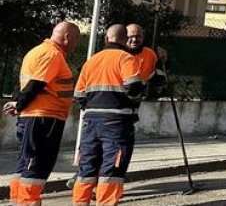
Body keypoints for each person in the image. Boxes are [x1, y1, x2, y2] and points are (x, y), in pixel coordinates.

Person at [4, 22, 81, 206]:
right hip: (45, 118)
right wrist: (20, 104)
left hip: (33, 117)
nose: (75, 45)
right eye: (76, 40)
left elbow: (23, 84)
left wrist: (19, 105)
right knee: (37, 164)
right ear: (67, 37)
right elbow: (35, 84)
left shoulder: (36, 51)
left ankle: (18, 201)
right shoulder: (52, 55)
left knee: (25, 162)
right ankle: (28, 202)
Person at [72, 25, 144, 206]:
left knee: (87, 168)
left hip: (91, 121)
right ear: (125, 39)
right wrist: (132, 102)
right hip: (117, 122)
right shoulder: (125, 58)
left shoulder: (91, 61)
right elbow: (134, 87)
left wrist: (91, 108)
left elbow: (79, 94)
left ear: (106, 38)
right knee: (112, 169)